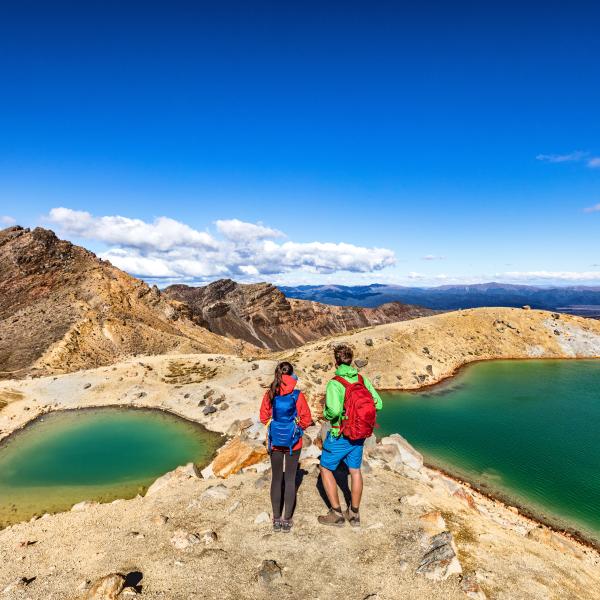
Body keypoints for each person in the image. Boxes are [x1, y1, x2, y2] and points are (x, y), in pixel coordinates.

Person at [318, 344, 382, 527]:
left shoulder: (335, 383)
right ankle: (354, 514)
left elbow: (334, 411)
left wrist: (328, 414)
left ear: (335, 361)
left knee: (325, 468)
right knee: (355, 471)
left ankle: (336, 514)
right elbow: (379, 404)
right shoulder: (361, 379)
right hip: (360, 434)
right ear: (351, 360)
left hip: (341, 434)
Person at [260, 361, 312, 533]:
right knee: (290, 480)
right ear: (292, 375)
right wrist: (297, 429)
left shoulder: (270, 393)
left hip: (275, 442)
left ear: (277, 373)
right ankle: (287, 519)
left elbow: (263, 416)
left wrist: (273, 426)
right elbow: (306, 418)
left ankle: (275, 519)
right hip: (293, 443)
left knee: (276, 478)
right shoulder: (297, 395)